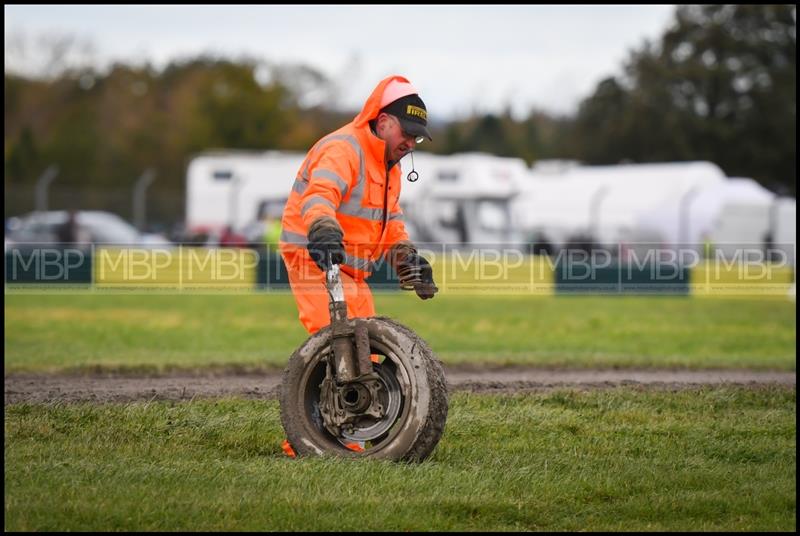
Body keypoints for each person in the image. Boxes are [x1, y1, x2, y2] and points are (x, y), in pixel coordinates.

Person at [279, 75, 438, 335]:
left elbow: (390, 222)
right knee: (337, 339)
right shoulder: (343, 149)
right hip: (314, 260)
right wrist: (322, 228)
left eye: (417, 138)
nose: (410, 143)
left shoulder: (389, 167)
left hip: (352, 270)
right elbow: (319, 195)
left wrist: (406, 258)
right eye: (408, 133)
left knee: (368, 349)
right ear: (384, 122)